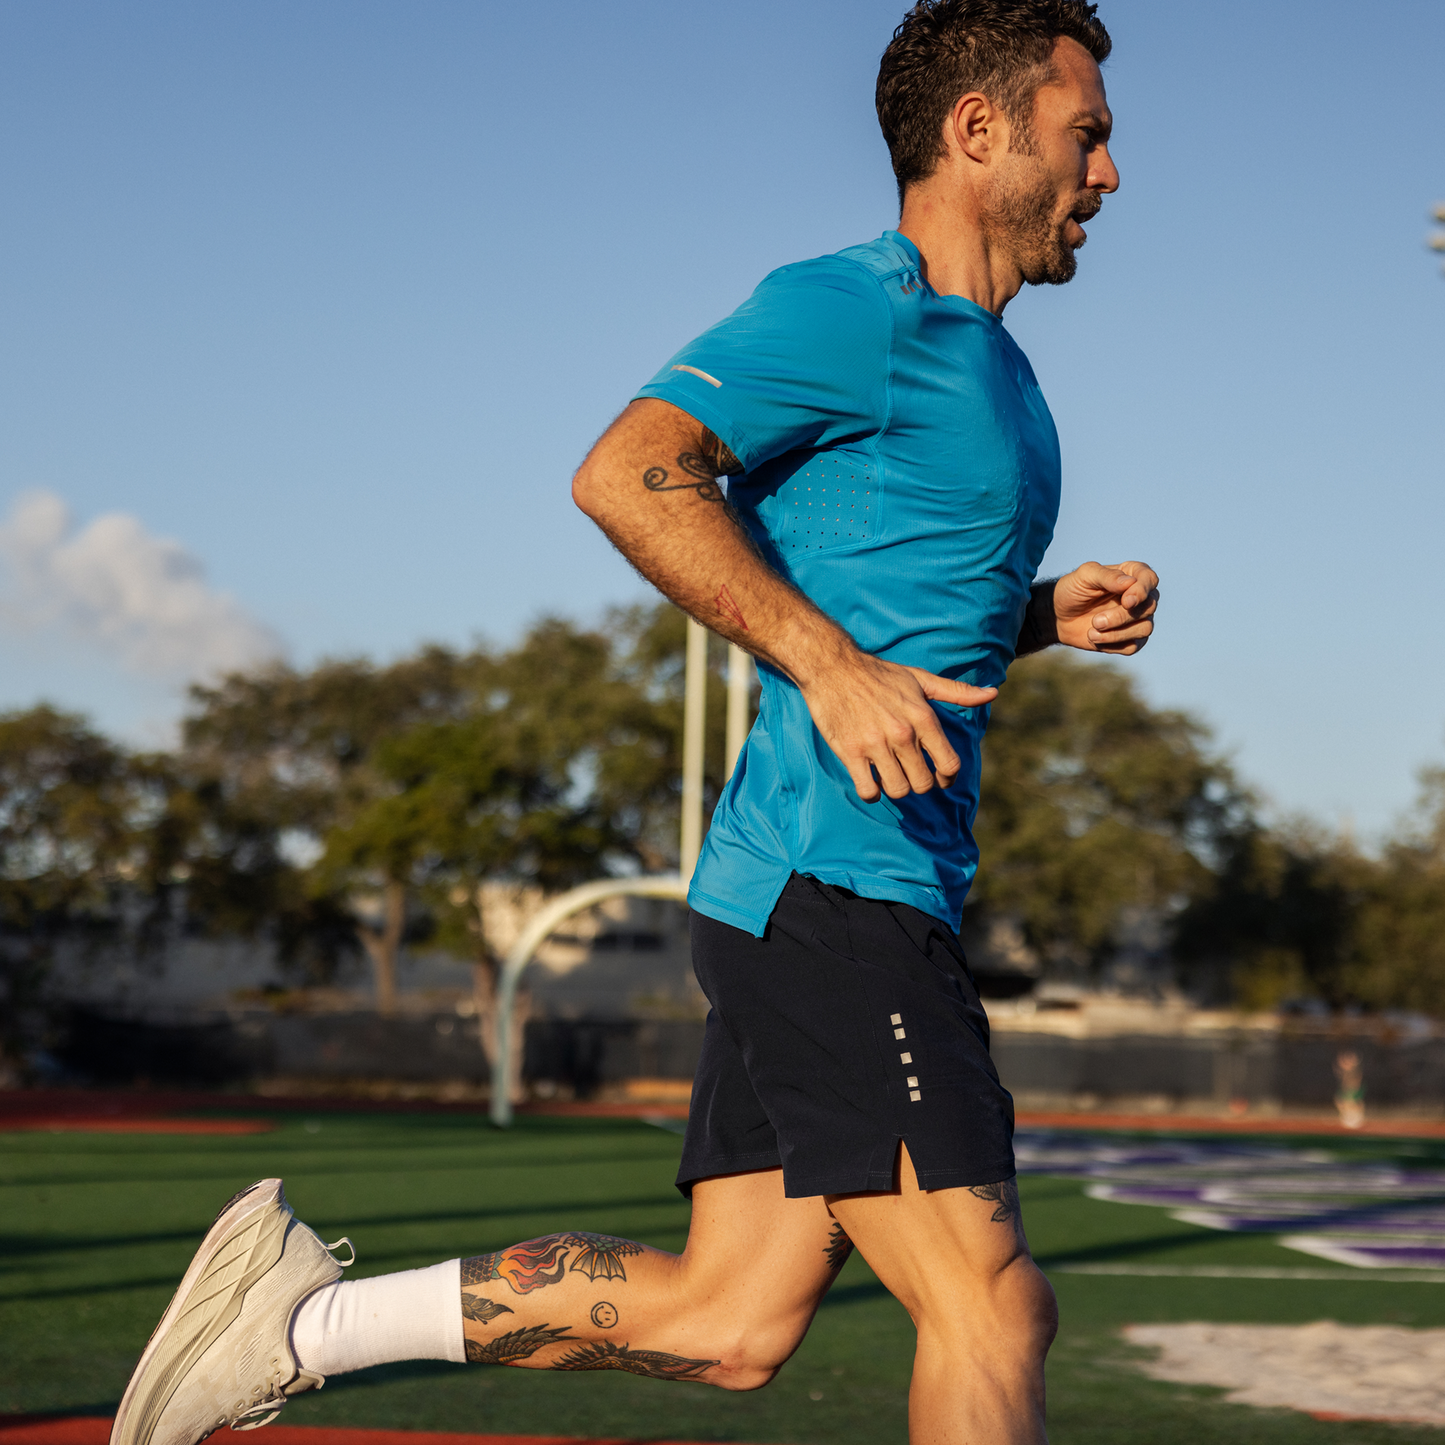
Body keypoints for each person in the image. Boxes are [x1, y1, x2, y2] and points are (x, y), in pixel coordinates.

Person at [110, 3, 1159, 1443]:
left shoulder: (1004, 375)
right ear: (979, 133)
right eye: (1085, 134)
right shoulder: (859, 305)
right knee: (992, 1303)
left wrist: (1037, 618)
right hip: (830, 886)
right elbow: (630, 470)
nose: (1108, 174)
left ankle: (294, 1325)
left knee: (730, 1322)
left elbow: (890, 607)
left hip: (824, 891)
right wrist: (826, 667)